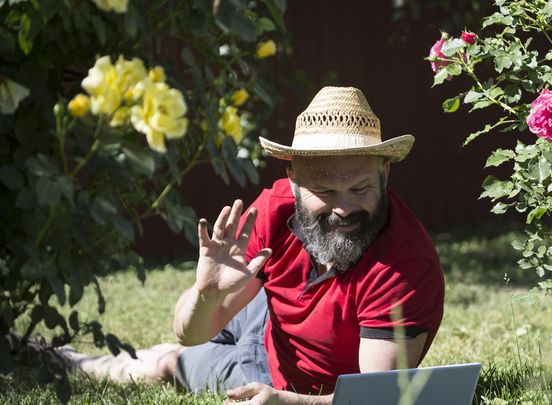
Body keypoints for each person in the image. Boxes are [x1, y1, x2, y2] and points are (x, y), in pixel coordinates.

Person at [53, 86, 445, 404]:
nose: (343, 208)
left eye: (360, 188)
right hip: (265, 306)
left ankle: (65, 360)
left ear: (385, 171)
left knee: (167, 364)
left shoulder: (404, 267)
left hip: (270, 378)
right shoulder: (273, 209)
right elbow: (188, 330)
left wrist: (288, 402)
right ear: (292, 178)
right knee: (187, 339)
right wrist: (207, 294)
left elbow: (377, 401)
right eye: (324, 190)